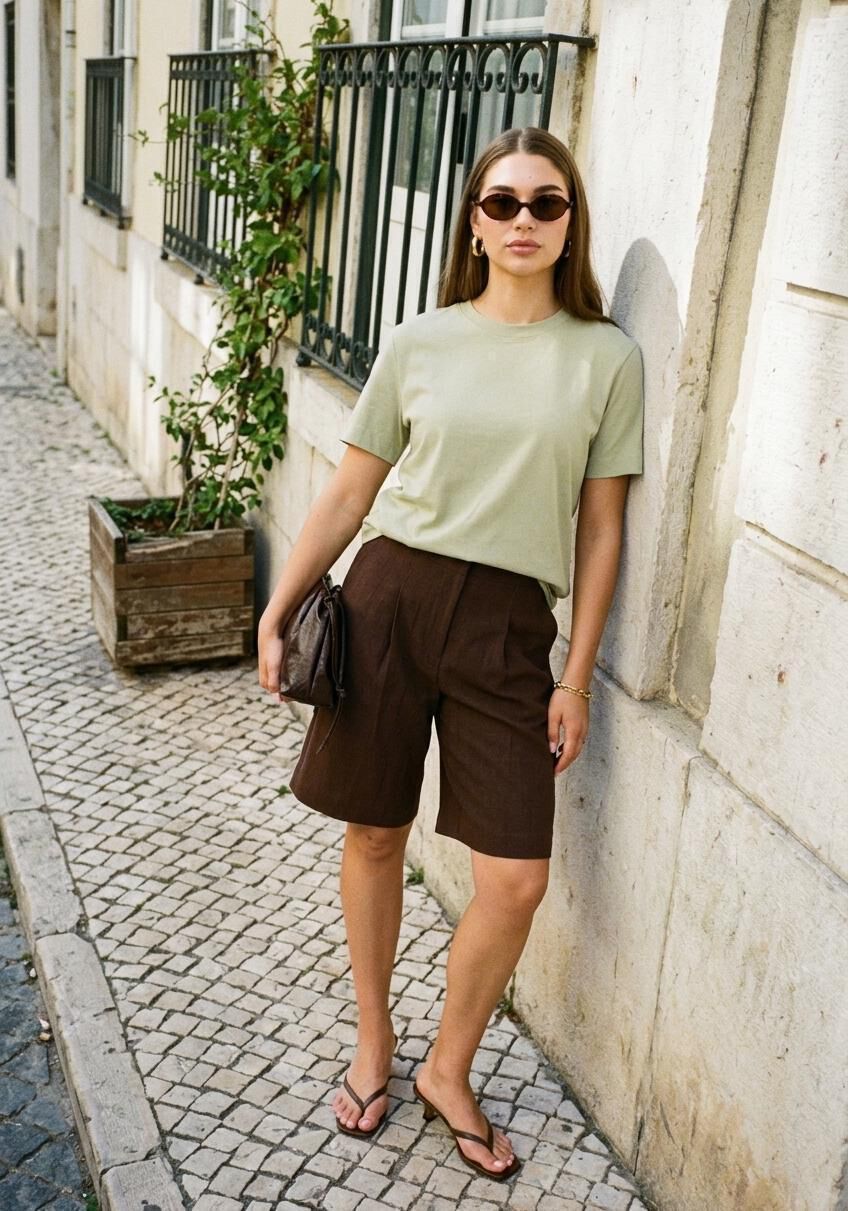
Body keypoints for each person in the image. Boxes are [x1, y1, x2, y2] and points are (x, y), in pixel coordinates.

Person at [258, 125, 644, 1181]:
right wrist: (280, 604)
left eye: (546, 203)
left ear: (570, 224)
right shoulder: (419, 341)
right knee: (375, 831)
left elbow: (601, 529)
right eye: (502, 202)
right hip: (390, 597)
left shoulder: (606, 359)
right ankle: (374, 1036)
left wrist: (574, 676)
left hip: (511, 628)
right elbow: (351, 489)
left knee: (514, 876)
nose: (523, 220)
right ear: (473, 222)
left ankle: (448, 1065)